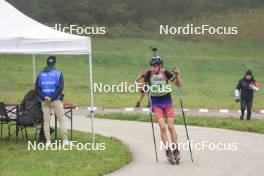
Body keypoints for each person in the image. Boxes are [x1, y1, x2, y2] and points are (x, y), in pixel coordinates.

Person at [144, 55, 181, 163]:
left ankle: (176, 149)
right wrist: (146, 88)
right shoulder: (148, 74)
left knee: (170, 126)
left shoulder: (165, 73)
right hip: (156, 103)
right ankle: (168, 150)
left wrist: (177, 75)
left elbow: (178, 84)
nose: (153, 68)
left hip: (167, 102)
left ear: (160, 66)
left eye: (155, 66)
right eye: (152, 65)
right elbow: (145, 88)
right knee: (162, 126)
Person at [35, 56, 69, 146]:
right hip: (56, 101)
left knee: (46, 121)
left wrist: (44, 97)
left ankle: (48, 141)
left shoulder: (40, 74)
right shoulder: (58, 73)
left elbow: (37, 88)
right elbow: (60, 88)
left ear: (47, 63)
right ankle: (65, 140)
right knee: (61, 119)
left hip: (44, 101)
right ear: (54, 63)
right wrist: (52, 98)